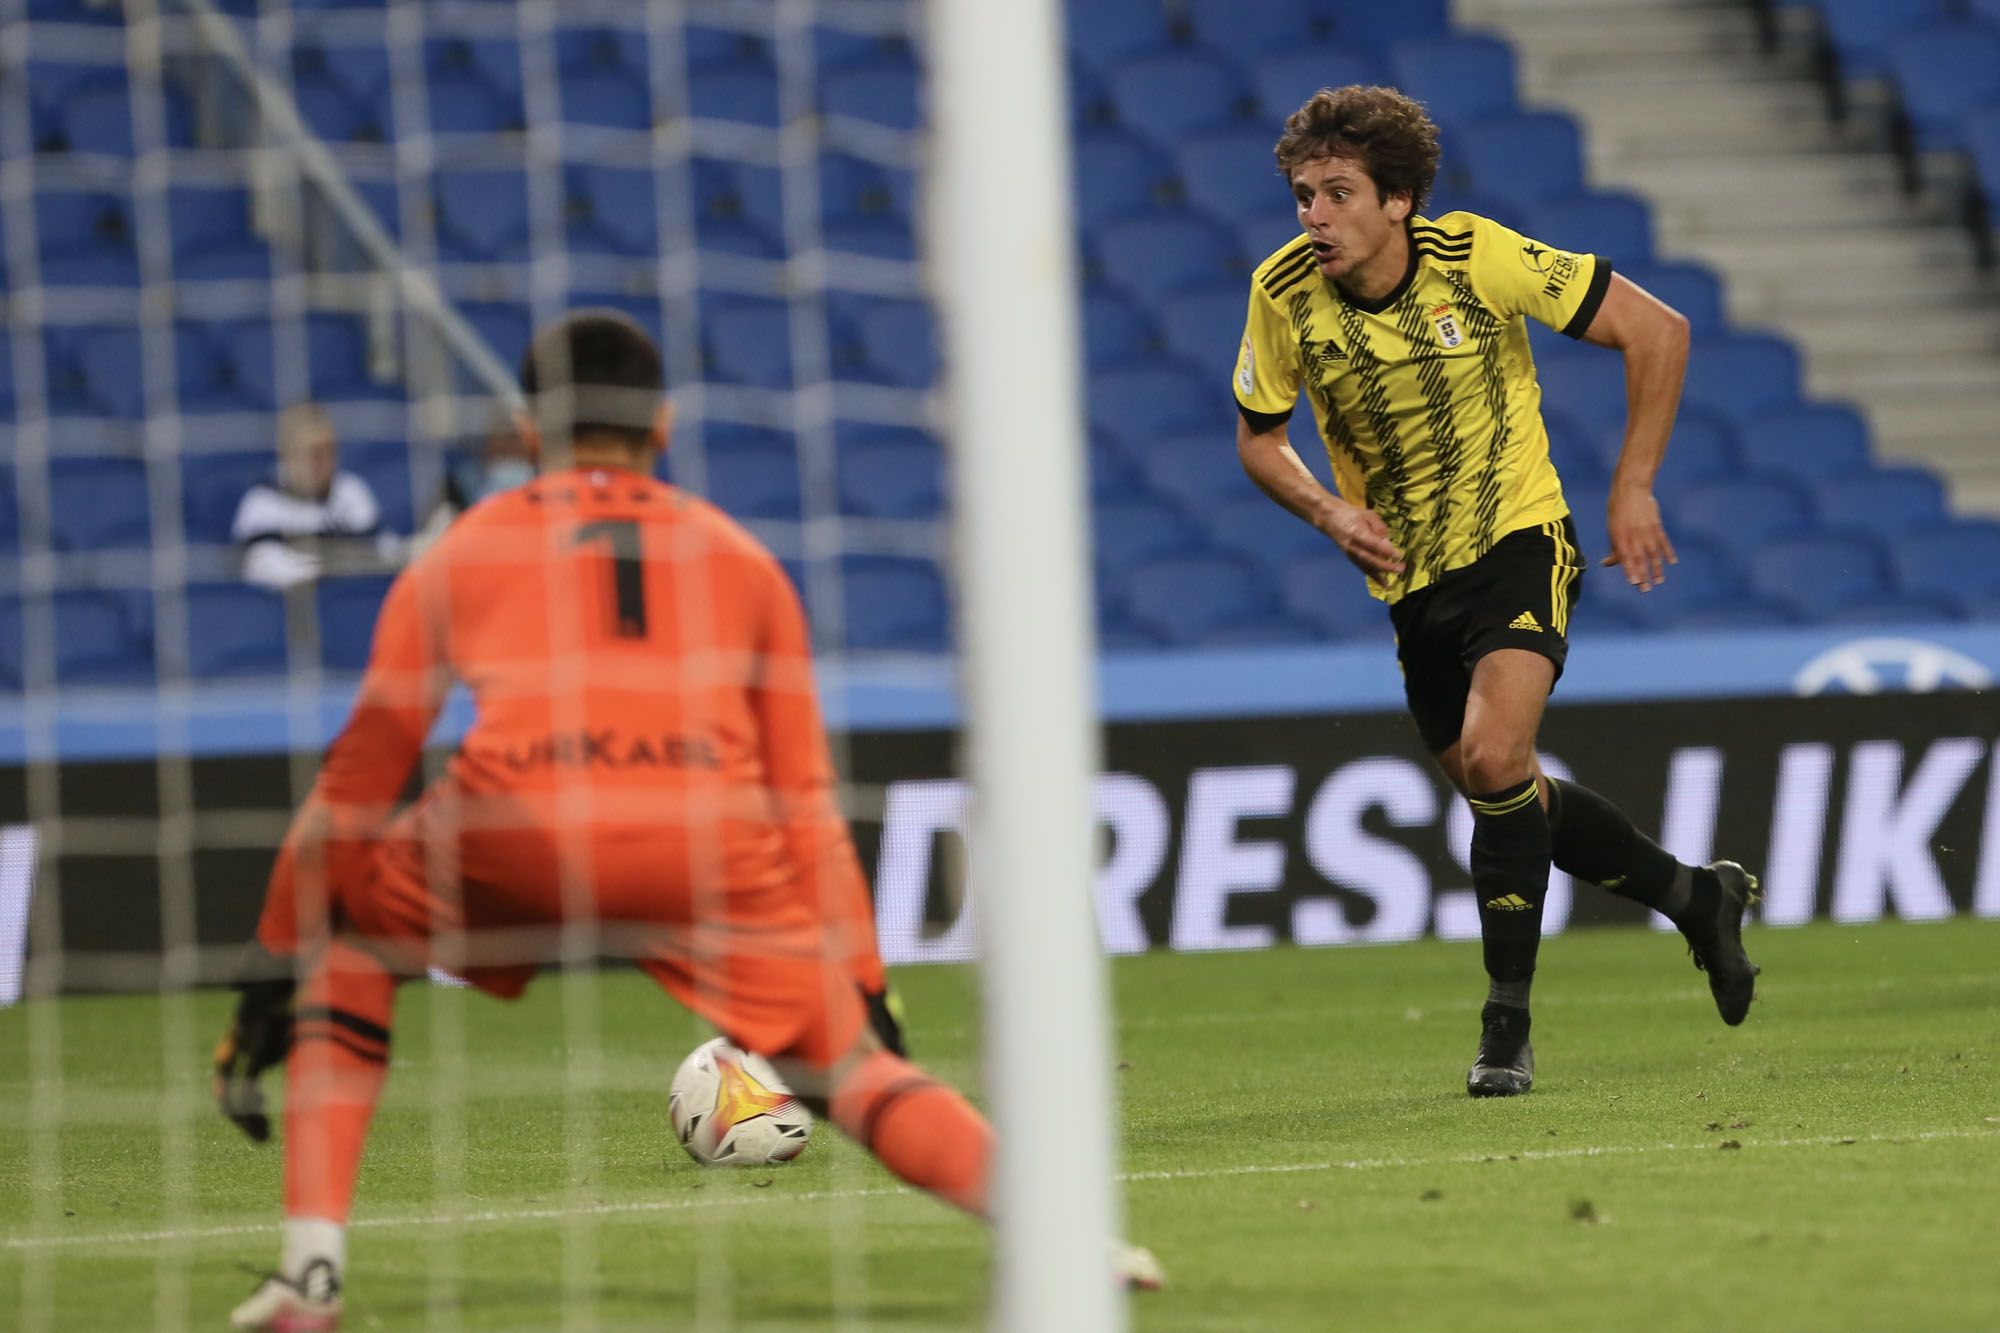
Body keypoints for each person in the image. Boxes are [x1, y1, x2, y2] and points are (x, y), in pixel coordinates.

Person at [210, 311, 1151, 1331]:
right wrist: (862, 988)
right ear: (661, 425)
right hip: (699, 835)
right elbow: (804, 805)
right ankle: (1070, 1247)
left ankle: (310, 1274)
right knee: (851, 1073)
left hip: (512, 818)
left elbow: (357, 781)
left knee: (349, 949)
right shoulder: (742, 560)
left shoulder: (460, 549)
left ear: (527, 433)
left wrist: (270, 963)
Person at [1231, 87, 1760, 1098]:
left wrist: (1632, 485)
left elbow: (1658, 331)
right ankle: (1696, 897)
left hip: (1517, 538)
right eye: (1302, 194)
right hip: (1407, 579)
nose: (1312, 216)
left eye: (1336, 194)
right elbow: (1259, 435)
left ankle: (1503, 1027)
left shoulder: (1477, 258)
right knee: (1500, 790)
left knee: (1491, 754)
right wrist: (1326, 512)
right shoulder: (1282, 290)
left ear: (1397, 201)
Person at [232, 402, 386, 590]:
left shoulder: (351, 490)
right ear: (285, 454)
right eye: (309, 454)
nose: (318, 463)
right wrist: (333, 564)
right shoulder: (261, 502)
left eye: (326, 452)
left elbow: (376, 553)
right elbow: (263, 569)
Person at [405, 411, 536, 557]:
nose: (507, 445)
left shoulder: (544, 492)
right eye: (503, 435)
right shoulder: (459, 487)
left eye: (515, 438)